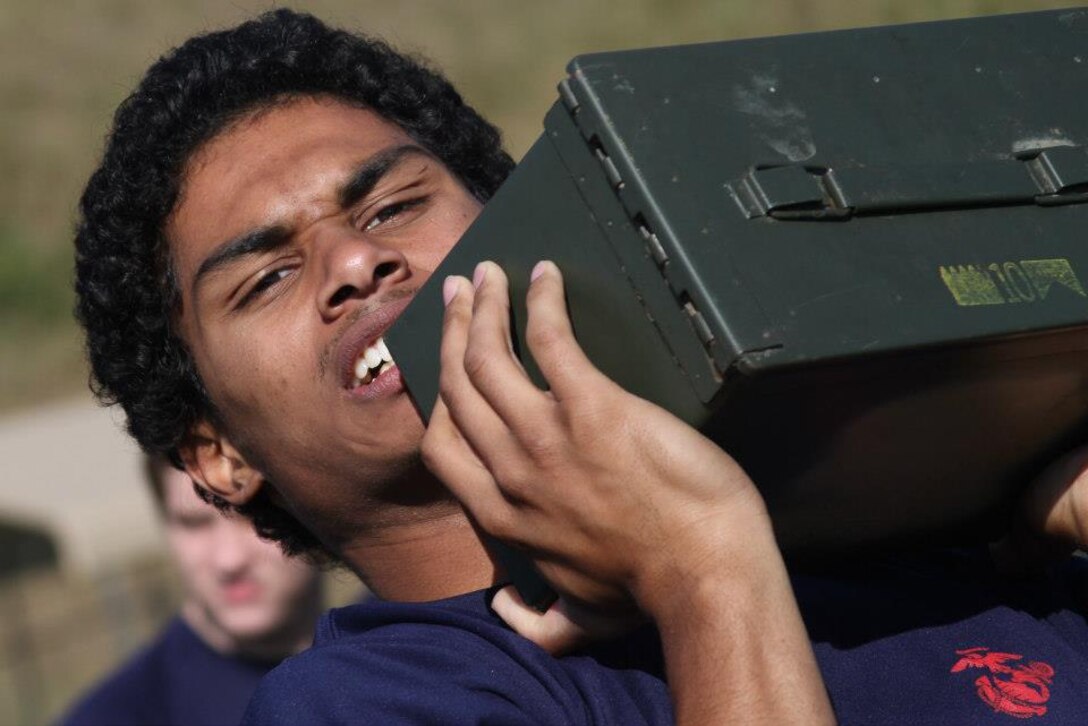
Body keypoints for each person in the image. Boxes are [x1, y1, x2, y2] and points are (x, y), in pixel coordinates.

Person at [71, 9, 1087, 724]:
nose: (351, 261)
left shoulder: (946, 548)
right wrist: (702, 574)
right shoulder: (373, 704)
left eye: (391, 208)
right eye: (265, 279)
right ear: (215, 454)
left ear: (514, 225)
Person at [60, 456, 323, 726]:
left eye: (255, 515)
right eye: (194, 523)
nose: (229, 560)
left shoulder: (367, 648)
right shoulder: (112, 718)